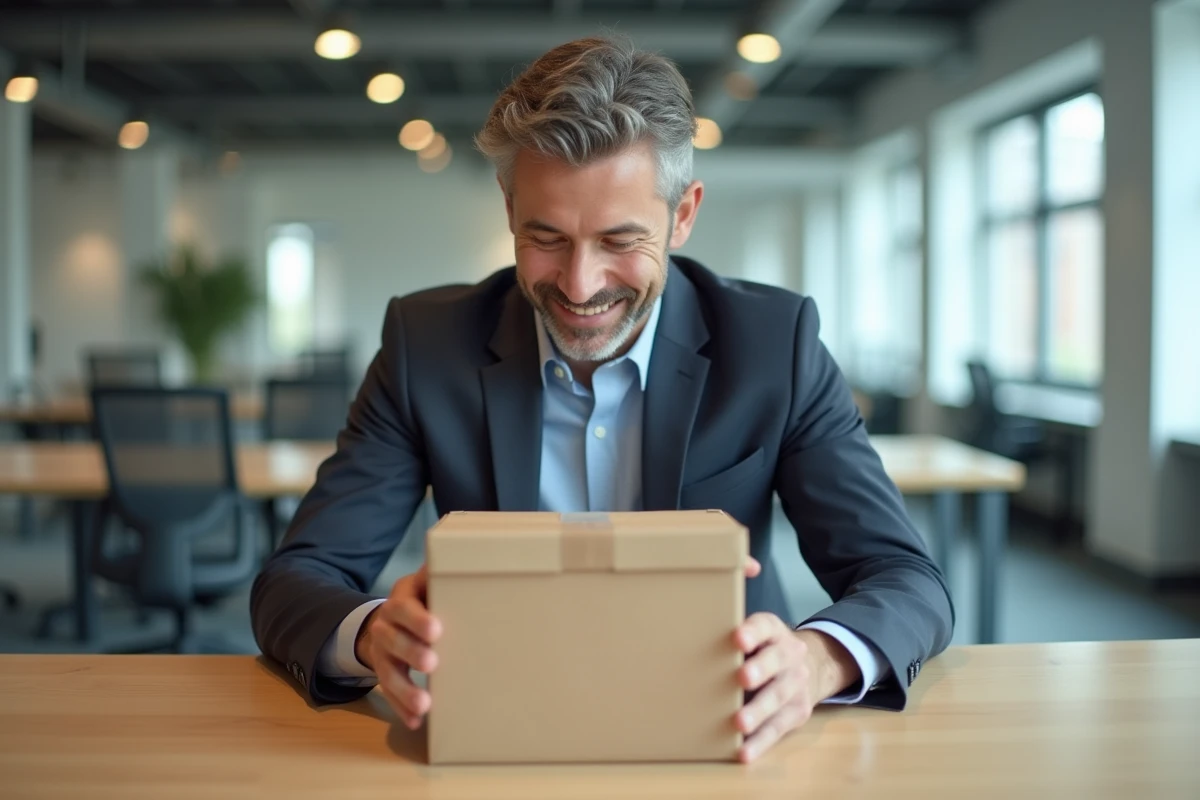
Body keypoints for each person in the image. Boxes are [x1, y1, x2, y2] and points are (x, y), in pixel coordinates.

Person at [251, 36, 954, 763]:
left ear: (683, 216)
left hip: (722, 733)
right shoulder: (425, 345)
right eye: (545, 237)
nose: (580, 286)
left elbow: (907, 580)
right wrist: (371, 633)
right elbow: (293, 581)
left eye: (621, 240)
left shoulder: (776, 344)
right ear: (509, 207)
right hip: (495, 728)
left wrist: (816, 660)